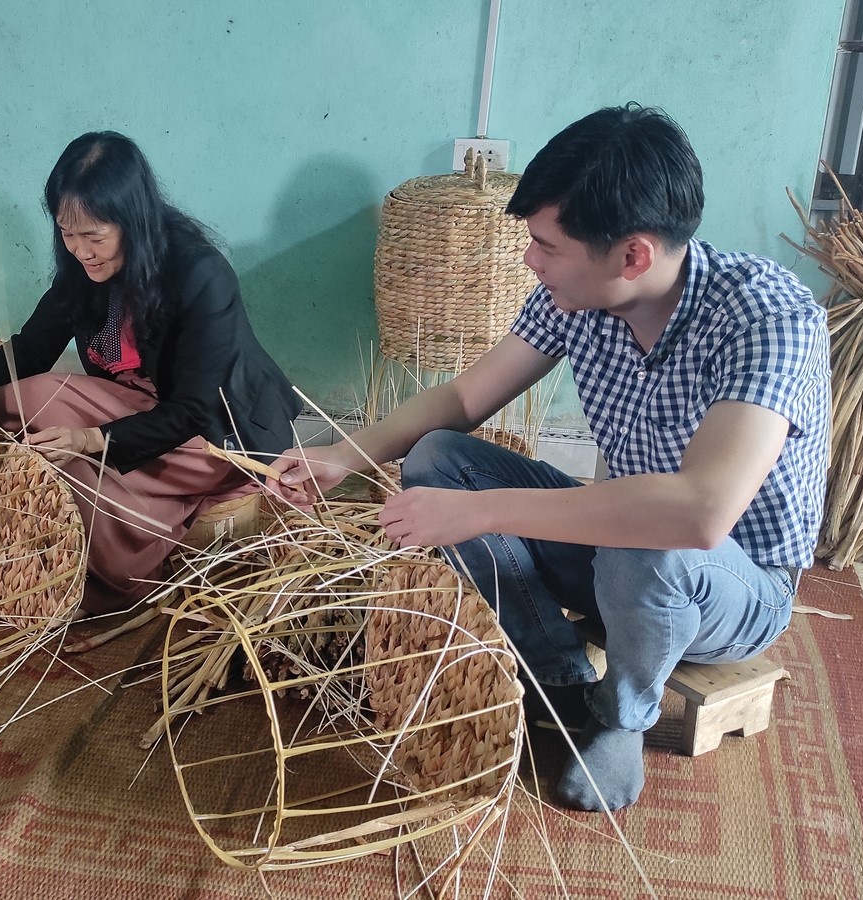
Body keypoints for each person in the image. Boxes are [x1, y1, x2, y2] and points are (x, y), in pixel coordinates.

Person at [268, 104, 830, 812]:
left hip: (733, 587)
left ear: (632, 256)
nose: (530, 260)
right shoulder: (575, 295)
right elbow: (466, 397)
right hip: (620, 554)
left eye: (546, 246)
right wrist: (343, 455)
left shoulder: (766, 315)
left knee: (646, 530)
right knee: (441, 456)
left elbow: (700, 513)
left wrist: (479, 512)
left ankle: (622, 714)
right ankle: (558, 682)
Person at [0, 131, 301, 613]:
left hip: (214, 431)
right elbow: (31, 348)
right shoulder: (80, 269)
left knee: (81, 476)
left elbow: (191, 409)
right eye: (67, 233)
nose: (80, 250)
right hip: (134, 409)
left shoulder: (200, 274)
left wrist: (90, 440)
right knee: (20, 399)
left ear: (133, 223)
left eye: (94, 236)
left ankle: (125, 560)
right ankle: (119, 505)